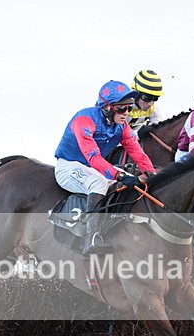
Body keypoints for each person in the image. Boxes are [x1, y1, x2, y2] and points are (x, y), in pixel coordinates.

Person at [55, 80, 157, 256]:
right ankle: (91, 238)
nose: (126, 113)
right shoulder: (84, 119)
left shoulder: (122, 126)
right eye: (121, 109)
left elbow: (138, 153)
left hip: (92, 167)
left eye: (129, 108)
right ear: (107, 107)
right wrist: (118, 175)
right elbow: (93, 157)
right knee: (98, 184)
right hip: (68, 165)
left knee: (135, 181)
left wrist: (152, 174)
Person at [128, 69, 165, 134]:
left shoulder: (153, 108)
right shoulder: (123, 106)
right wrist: (138, 134)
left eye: (155, 98)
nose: (150, 104)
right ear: (136, 94)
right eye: (146, 98)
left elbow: (160, 128)